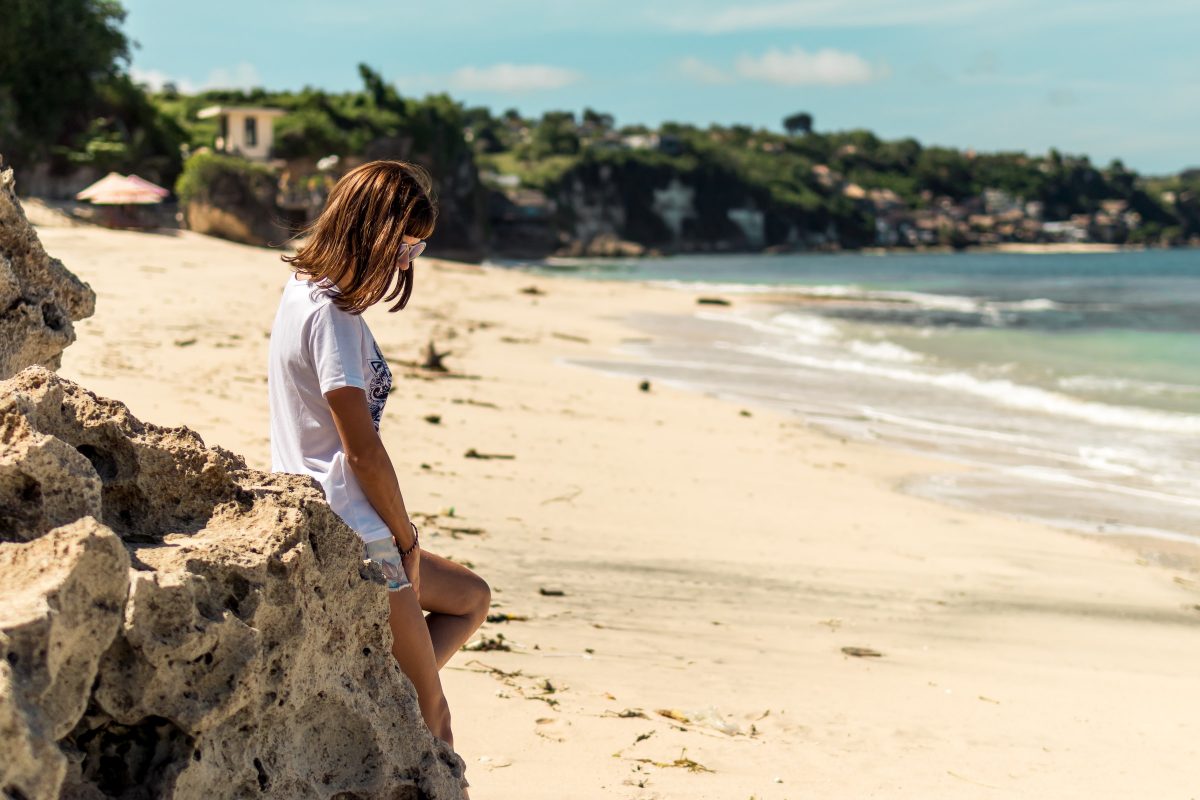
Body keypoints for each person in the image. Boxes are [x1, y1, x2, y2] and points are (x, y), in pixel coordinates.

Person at [267, 160, 489, 774]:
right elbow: (360, 448)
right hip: (357, 532)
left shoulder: (304, 293)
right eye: (409, 243)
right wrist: (406, 537)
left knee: (470, 597)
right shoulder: (332, 318)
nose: (409, 260)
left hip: (330, 513)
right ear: (376, 229)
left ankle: (374, 690)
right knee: (434, 717)